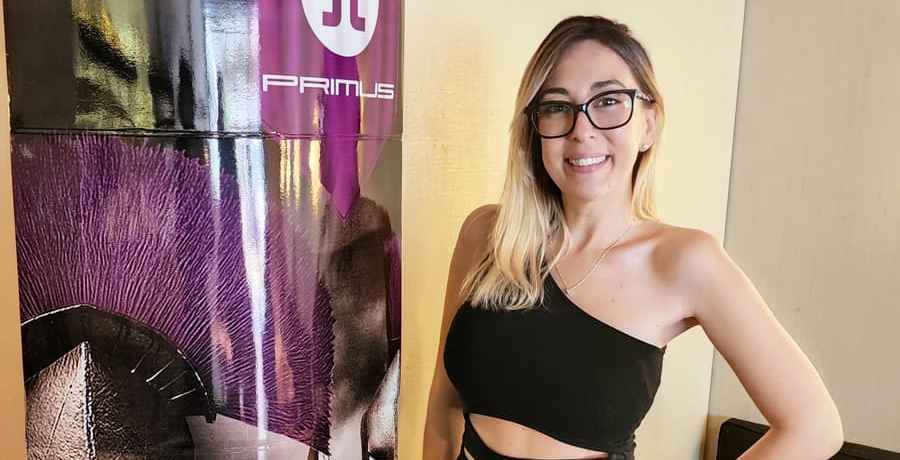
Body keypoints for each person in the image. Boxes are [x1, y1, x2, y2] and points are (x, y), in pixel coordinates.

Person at [423, 15, 843, 460]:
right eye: (557, 106)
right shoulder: (487, 235)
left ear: (649, 124)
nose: (581, 130)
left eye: (608, 101)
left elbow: (814, 427)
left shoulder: (684, 260)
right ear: (534, 127)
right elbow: (442, 408)